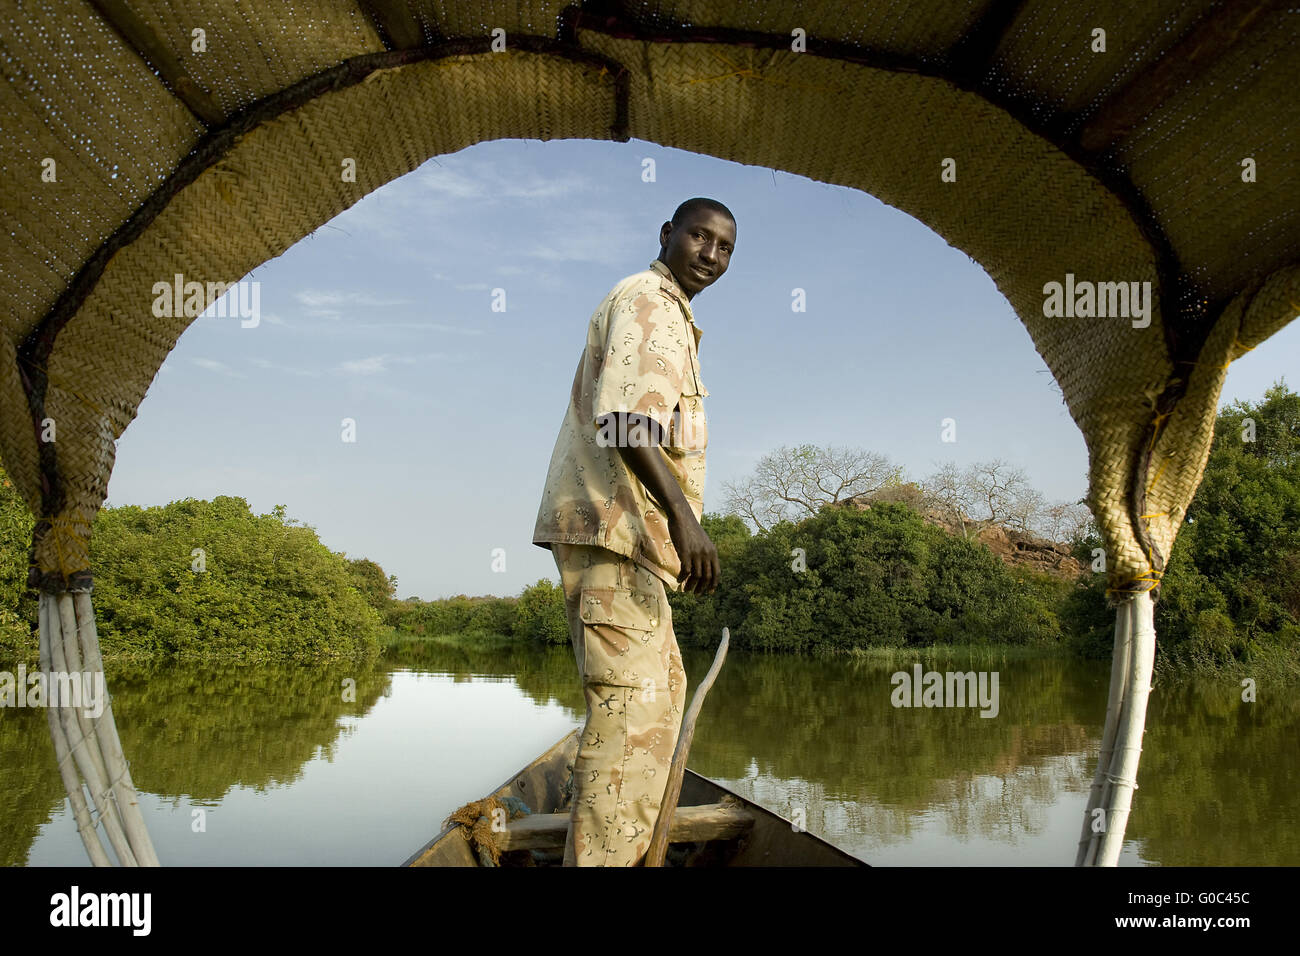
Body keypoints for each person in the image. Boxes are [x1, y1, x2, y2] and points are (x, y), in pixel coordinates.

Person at [532, 197, 736, 865]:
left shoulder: (674, 313)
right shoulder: (650, 300)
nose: (709, 253)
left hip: (630, 543)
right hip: (614, 533)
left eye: (724, 246)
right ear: (666, 235)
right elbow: (624, 419)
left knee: (658, 701)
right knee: (630, 726)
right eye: (698, 236)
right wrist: (687, 522)